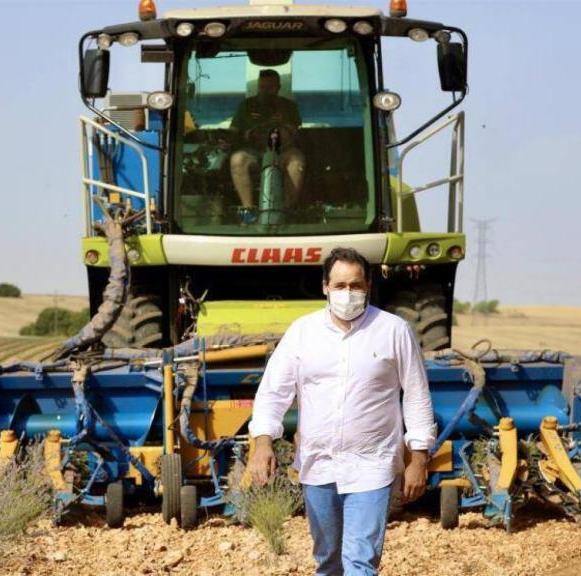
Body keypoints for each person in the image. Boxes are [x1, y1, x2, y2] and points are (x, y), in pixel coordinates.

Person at [247, 247, 436, 576]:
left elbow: (417, 395)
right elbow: (273, 393)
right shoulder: (302, 334)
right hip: (318, 464)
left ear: (368, 286)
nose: (348, 293)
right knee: (329, 560)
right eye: (340, 286)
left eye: (356, 285)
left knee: (360, 561)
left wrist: (418, 457)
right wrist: (263, 444)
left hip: (372, 465)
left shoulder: (394, 331)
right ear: (325, 287)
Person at [229, 69, 306, 223]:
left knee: (297, 161)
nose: (265, 91)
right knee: (237, 160)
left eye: (270, 87)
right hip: (254, 152)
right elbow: (234, 130)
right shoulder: (246, 105)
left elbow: (293, 130)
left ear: (278, 87)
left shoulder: (289, 106)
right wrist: (233, 137)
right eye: (262, 87)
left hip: (283, 151)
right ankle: (248, 211)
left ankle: (287, 210)